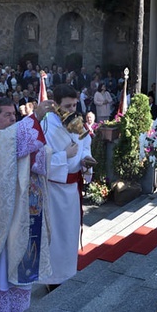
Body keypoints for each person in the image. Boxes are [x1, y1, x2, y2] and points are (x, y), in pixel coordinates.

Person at [0, 97, 54, 312]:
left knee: (19, 257)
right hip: (1, 218)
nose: (12, 118)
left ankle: (14, 310)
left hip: (23, 211)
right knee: (2, 262)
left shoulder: (9, 137)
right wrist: (35, 117)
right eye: (7, 115)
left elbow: (35, 153)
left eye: (14, 114)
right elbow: (14, 141)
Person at [41, 85, 96, 286]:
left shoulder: (76, 122)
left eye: (74, 104)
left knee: (70, 232)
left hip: (72, 187)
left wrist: (86, 159)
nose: (72, 109)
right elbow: (39, 158)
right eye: (67, 105)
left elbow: (85, 145)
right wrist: (65, 155)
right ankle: (53, 279)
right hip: (55, 189)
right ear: (55, 105)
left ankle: (68, 271)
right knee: (56, 234)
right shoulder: (46, 125)